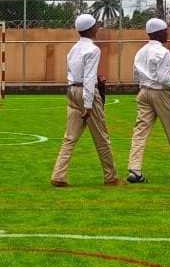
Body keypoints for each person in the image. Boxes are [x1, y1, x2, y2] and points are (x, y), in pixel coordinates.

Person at [51, 14, 124, 187]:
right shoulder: (93, 49)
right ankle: (110, 177)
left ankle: (58, 175)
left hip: (71, 90)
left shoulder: (73, 49)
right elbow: (89, 77)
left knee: (70, 137)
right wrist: (89, 105)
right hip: (86, 92)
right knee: (102, 137)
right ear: (92, 29)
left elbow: (77, 73)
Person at [127, 18, 170, 183]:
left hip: (143, 92)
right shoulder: (164, 52)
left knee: (140, 131)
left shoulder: (141, 51)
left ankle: (134, 169)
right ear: (157, 32)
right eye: (165, 31)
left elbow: (136, 74)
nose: (167, 34)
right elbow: (162, 76)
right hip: (160, 93)